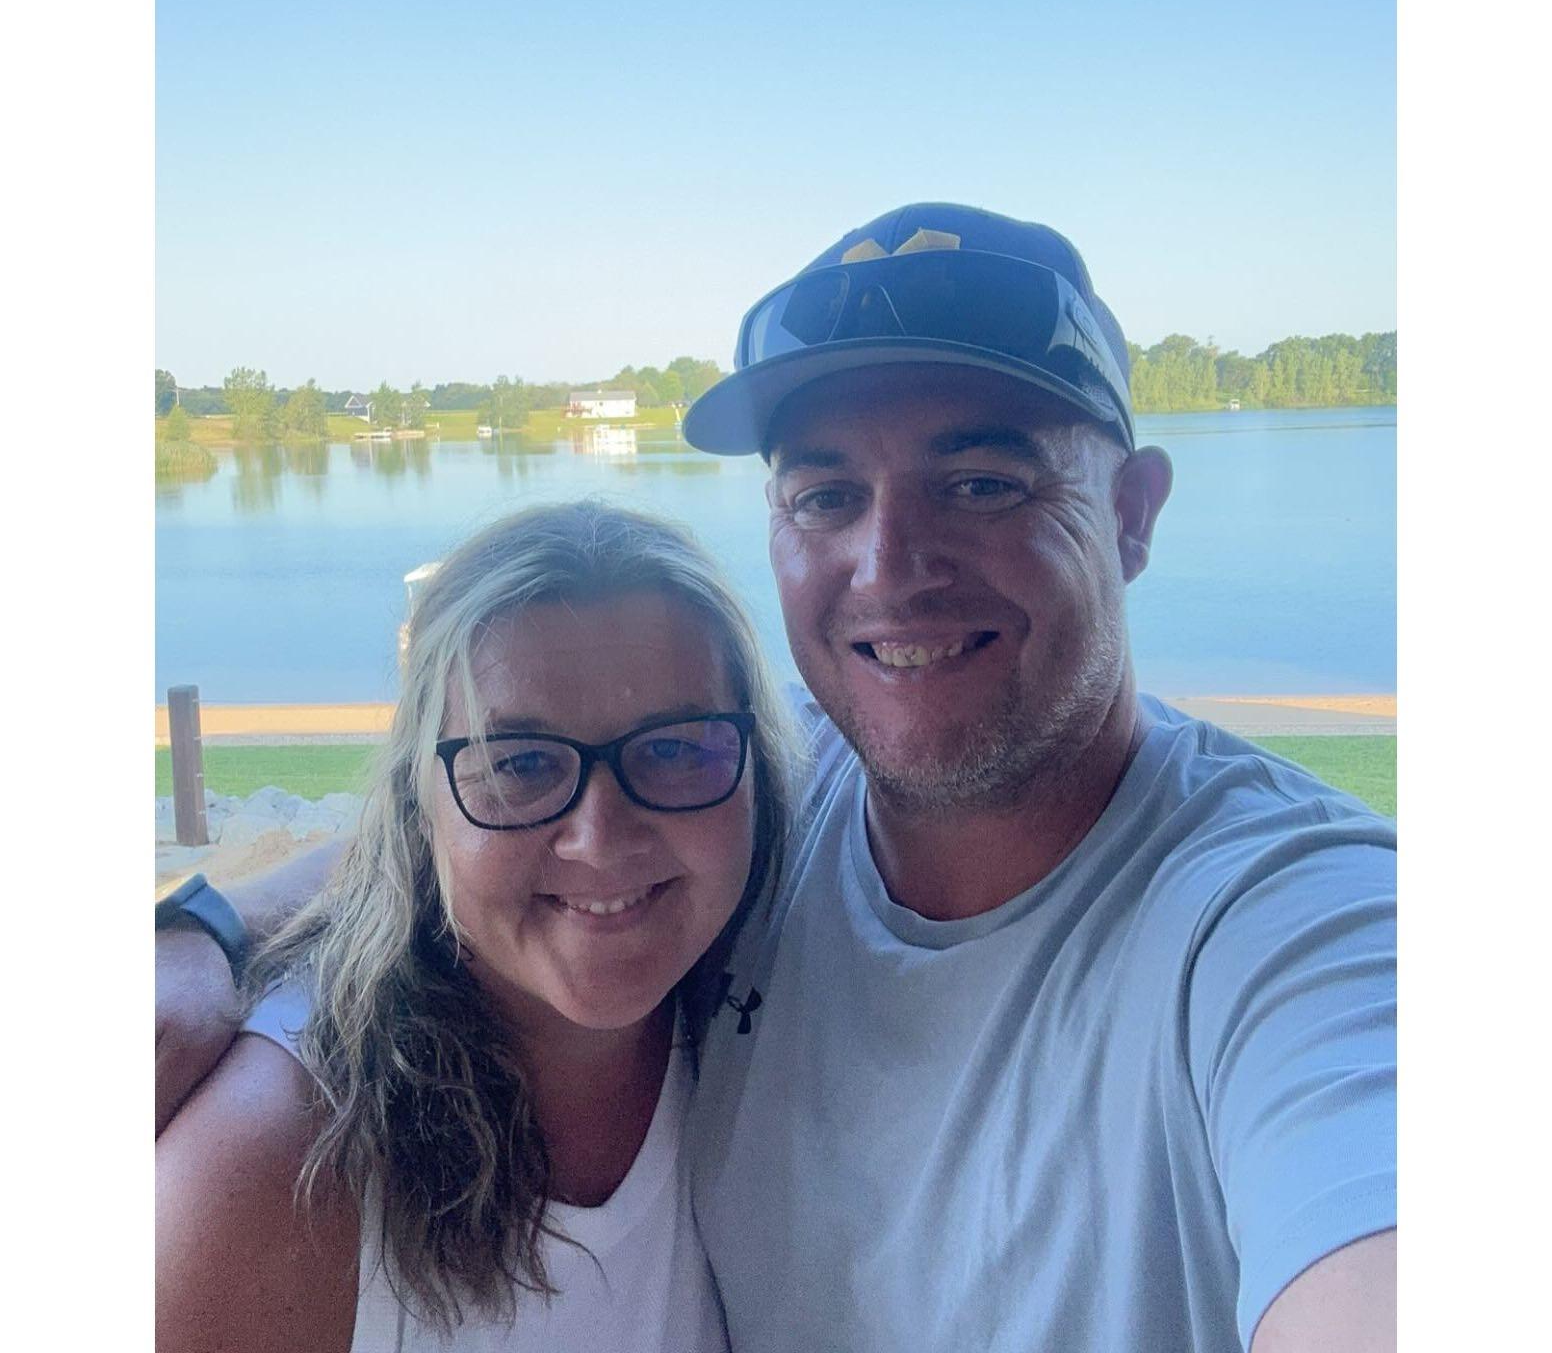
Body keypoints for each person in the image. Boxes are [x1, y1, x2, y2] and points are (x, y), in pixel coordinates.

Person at [158, 204, 1396, 1352]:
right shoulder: (751, 785)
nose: (889, 564)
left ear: (1131, 514)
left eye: (981, 483)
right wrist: (205, 931)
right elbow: (485, 820)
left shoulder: (1297, 931)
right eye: (827, 494)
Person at [156, 501, 798, 1352]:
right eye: (521, 764)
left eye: (675, 749)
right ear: (417, 807)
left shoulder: (754, 1001)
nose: (600, 840)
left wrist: (208, 925)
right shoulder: (276, 1164)